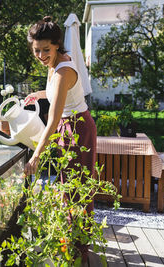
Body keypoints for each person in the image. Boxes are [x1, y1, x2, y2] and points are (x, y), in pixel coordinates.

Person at [23, 15, 97, 262]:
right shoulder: (55, 64)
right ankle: (70, 240)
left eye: (46, 50)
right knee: (67, 187)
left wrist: (36, 155)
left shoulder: (64, 70)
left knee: (78, 190)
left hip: (78, 128)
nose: (41, 55)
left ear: (57, 45)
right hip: (69, 126)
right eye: (36, 50)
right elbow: (57, 93)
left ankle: (80, 252)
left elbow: (53, 121)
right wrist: (38, 94)